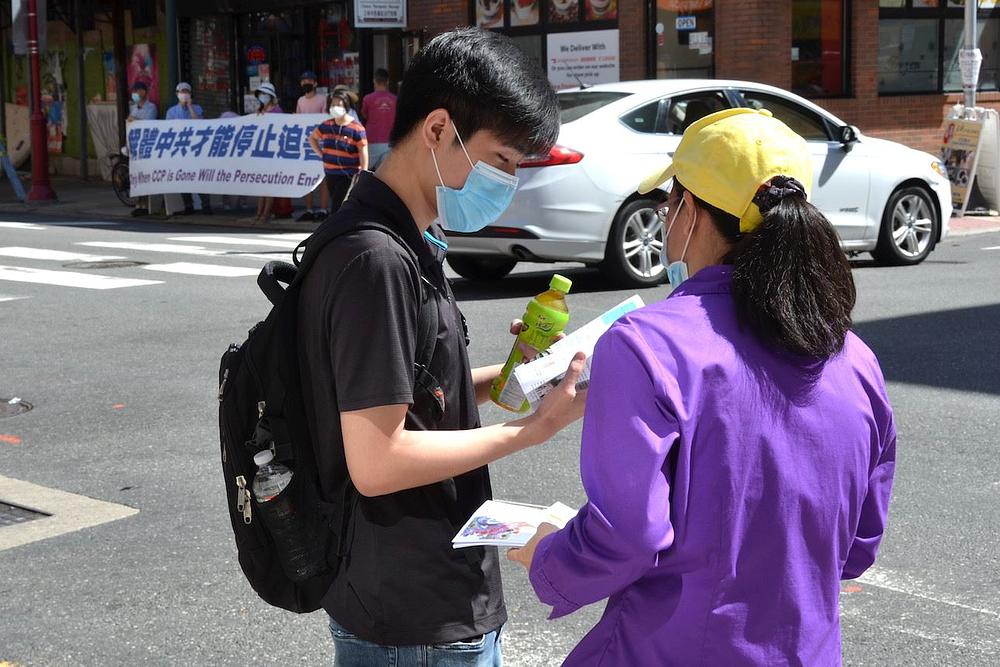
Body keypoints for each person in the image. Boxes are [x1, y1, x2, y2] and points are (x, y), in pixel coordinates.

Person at [508, 108, 897, 665]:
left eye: (669, 199)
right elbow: (857, 545)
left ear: (687, 209)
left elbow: (628, 535)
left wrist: (547, 552)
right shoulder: (855, 358)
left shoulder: (645, 343)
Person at [296, 27, 586, 666]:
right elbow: (378, 460)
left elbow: (411, 391)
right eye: (503, 161)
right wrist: (532, 431)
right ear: (437, 130)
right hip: (413, 614)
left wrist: (522, 376)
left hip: (418, 595)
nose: (509, 181)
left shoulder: (405, 240)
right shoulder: (375, 259)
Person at [308, 90, 368, 212]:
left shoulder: (356, 128)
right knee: (337, 201)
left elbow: (363, 151)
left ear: (346, 106)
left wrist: (363, 172)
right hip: (330, 172)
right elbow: (312, 138)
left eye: (339, 105)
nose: (335, 107)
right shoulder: (326, 125)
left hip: (348, 174)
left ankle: (335, 228)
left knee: (338, 205)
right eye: (332, 105)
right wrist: (322, 154)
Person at [165, 82, 210, 215]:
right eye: (181, 91)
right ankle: (188, 206)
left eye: (186, 91)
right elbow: (169, 130)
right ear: (177, 94)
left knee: (199, 177)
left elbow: (199, 124)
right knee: (183, 178)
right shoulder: (171, 112)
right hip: (180, 149)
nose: (184, 94)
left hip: (196, 149)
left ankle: (206, 205)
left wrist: (190, 106)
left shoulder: (197, 108)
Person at [245, 82, 284, 224]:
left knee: (269, 186)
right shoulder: (260, 111)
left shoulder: (277, 111)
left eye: (265, 94)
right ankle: (259, 213)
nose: (262, 97)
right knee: (262, 186)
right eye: (261, 94)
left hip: (272, 152)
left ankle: (265, 214)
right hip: (261, 152)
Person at [295, 71, 330, 222]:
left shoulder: (322, 99)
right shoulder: (300, 101)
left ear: (315, 83)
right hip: (305, 143)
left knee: (323, 177)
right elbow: (297, 120)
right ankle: (308, 209)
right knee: (305, 177)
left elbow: (324, 118)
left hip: (320, 142)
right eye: (303, 81)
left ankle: (323, 209)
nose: (305, 83)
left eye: (309, 80)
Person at [127, 81, 158, 217]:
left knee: (146, 173)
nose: (136, 94)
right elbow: (130, 122)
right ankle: (139, 203)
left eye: (138, 90)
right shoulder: (133, 108)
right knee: (136, 173)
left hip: (146, 144)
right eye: (134, 91)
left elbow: (148, 123)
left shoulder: (151, 107)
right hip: (135, 145)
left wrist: (135, 120)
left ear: (144, 92)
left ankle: (146, 204)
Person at [360, 68, 397, 169]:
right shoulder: (395, 99)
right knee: (383, 174)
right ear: (388, 81)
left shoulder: (367, 99)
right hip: (390, 140)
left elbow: (364, 115)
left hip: (372, 139)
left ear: (374, 81)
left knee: (366, 170)